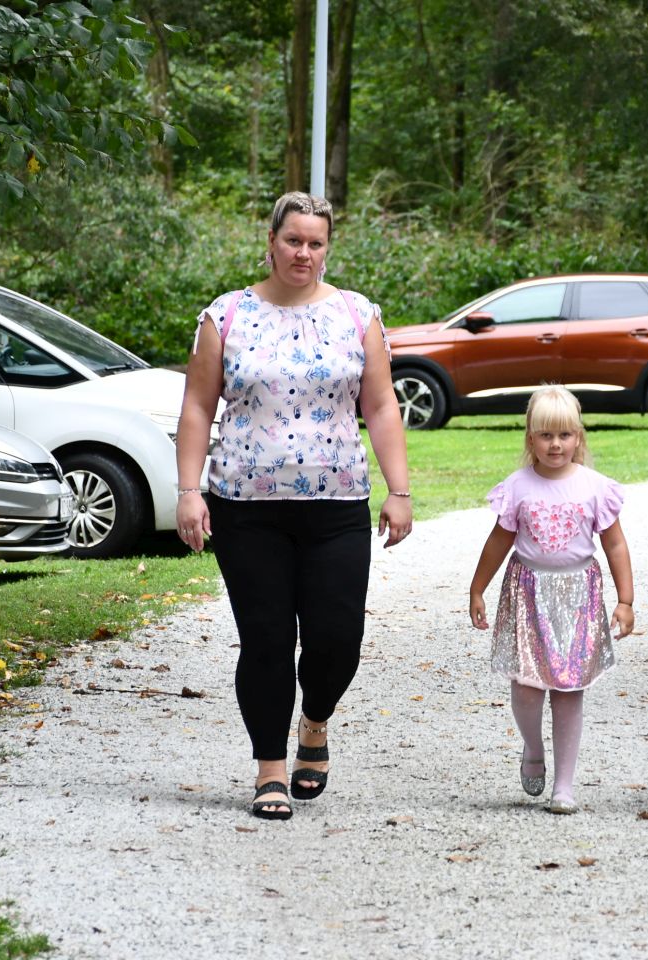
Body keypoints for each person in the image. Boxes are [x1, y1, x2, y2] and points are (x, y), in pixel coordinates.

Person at [175, 192, 412, 821]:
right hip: (245, 506)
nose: (303, 253)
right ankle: (270, 768)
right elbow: (198, 406)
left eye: (315, 243)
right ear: (271, 241)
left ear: (327, 248)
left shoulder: (357, 315)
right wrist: (188, 490)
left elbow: (381, 406)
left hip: (337, 504)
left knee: (338, 639)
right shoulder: (225, 316)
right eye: (293, 240)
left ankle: (316, 720)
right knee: (267, 639)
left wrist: (400, 489)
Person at [468, 386, 635, 815]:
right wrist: (477, 588)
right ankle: (532, 747)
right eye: (545, 436)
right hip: (528, 593)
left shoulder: (595, 487)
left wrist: (626, 599)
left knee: (568, 689)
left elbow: (615, 546)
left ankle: (564, 785)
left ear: (579, 437)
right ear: (530, 439)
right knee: (526, 688)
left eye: (564, 435)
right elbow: (499, 541)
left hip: (578, 597)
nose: (555, 444)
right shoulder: (518, 487)